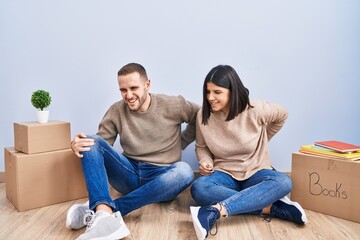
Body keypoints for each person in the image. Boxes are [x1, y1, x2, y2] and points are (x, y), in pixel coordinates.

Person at [66, 63, 200, 240]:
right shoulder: (116, 110)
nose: (128, 95)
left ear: (147, 84)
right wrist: (75, 145)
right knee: (90, 140)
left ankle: (104, 210)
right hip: (129, 173)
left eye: (134, 88)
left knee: (184, 171)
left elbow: (200, 116)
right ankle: (103, 214)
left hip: (162, 180)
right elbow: (99, 146)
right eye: (123, 90)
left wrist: (182, 141)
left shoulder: (173, 104)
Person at [189, 65, 307, 240]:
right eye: (208, 92)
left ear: (232, 91)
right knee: (199, 188)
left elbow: (283, 114)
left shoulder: (255, 109)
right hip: (224, 173)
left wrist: (264, 138)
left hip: (256, 171)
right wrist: (206, 161)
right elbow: (201, 146)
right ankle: (270, 207)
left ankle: (216, 210)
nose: (210, 98)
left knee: (283, 182)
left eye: (217, 92)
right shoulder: (203, 115)